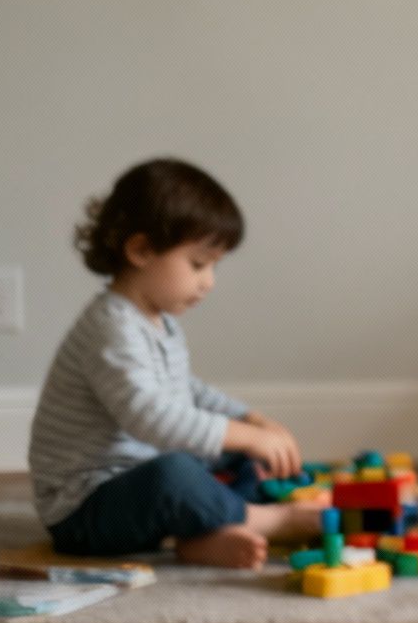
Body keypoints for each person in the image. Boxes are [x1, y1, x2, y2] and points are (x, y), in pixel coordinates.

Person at [28, 158, 321, 569]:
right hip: (87, 509)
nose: (209, 282)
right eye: (198, 264)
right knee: (176, 475)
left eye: (214, 266)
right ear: (141, 250)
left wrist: (251, 420)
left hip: (142, 480)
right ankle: (272, 521)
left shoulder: (160, 322)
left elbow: (189, 391)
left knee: (248, 461)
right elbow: (152, 419)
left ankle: (203, 534)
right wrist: (244, 435)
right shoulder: (109, 327)